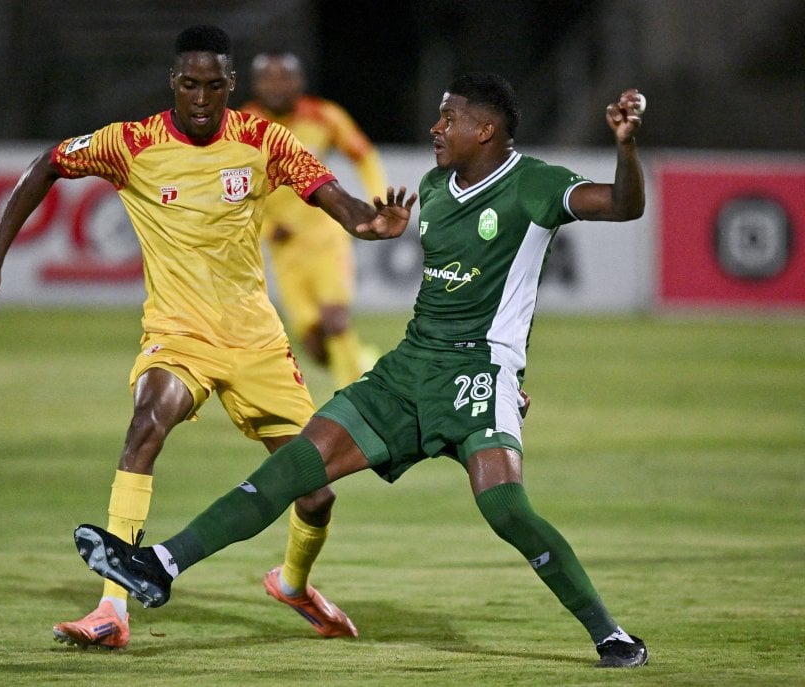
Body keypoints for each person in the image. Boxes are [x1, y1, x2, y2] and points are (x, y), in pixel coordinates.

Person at [72, 73, 651, 668]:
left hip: (480, 371)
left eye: (448, 119)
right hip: (408, 369)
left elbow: (624, 205)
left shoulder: (536, 184)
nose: (436, 128)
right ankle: (161, 565)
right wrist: (389, 230)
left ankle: (609, 633)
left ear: (486, 130)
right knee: (297, 466)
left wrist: (625, 146)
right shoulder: (434, 186)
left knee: (504, 508)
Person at [0, 25, 413, 649]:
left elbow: (340, 201)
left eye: (213, 85)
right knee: (147, 425)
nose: (200, 97)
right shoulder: (130, 143)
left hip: (254, 339)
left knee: (317, 492)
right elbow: (47, 165)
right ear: (173, 82)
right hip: (177, 330)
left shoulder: (261, 140)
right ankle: (112, 607)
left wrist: (372, 223)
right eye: (189, 84)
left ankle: (293, 583)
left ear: (230, 86)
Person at [242, 52, 386, 387]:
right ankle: (366, 365)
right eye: (268, 78)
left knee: (336, 321)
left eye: (284, 78)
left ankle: (354, 405)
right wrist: (263, 228)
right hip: (283, 248)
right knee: (317, 346)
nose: (276, 86)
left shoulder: (324, 116)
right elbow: (230, 186)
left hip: (325, 236)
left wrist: (378, 198)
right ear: (256, 84)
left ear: (299, 82)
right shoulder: (243, 124)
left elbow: (364, 155)